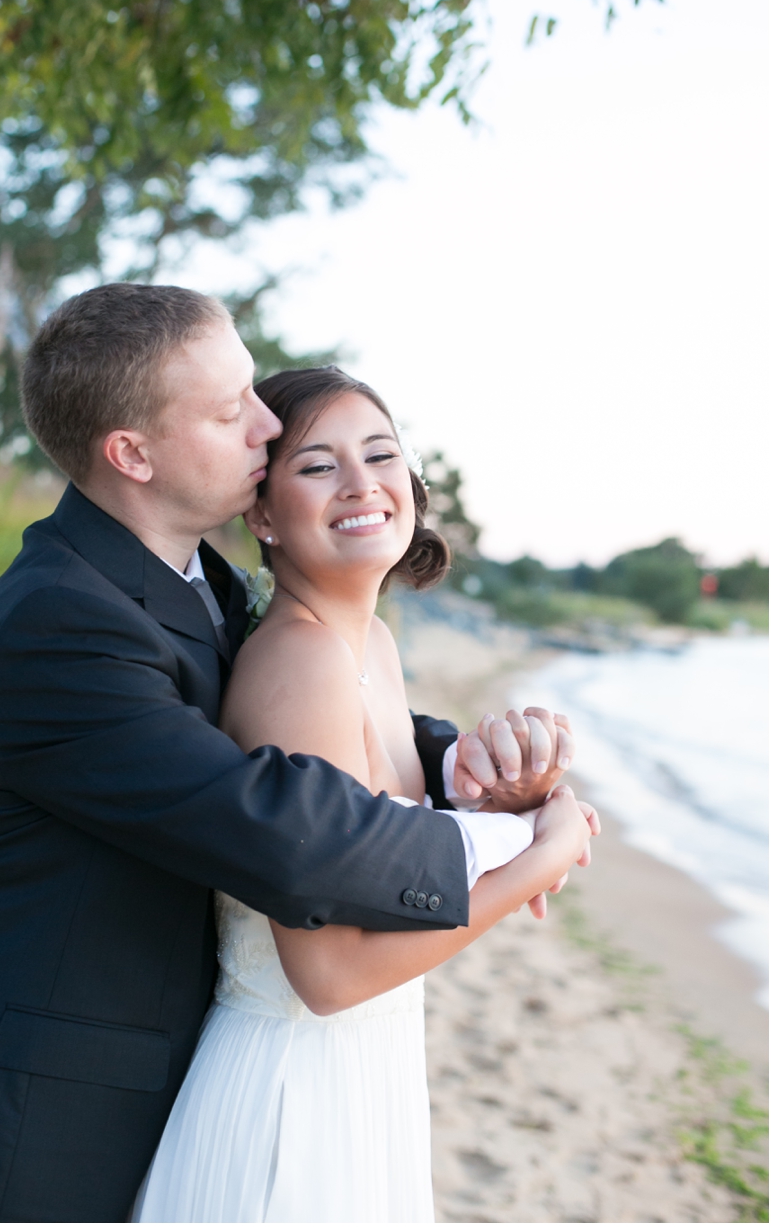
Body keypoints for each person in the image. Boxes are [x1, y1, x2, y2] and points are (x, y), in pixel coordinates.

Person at [0, 285, 578, 1223]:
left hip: (159, 1069)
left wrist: (467, 772)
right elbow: (276, 821)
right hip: (21, 1107)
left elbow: (315, 734)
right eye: (228, 410)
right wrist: (519, 846)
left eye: (253, 390)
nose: (265, 426)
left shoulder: (192, 578)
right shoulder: (61, 619)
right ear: (131, 453)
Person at [132, 366, 596, 1223]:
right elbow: (330, 971)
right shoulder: (300, 662)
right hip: (293, 1090)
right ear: (262, 511)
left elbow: (379, 854)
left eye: (380, 453)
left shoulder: (370, 643)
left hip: (362, 1071)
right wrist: (539, 861)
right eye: (317, 465)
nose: (361, 483)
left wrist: (509, 802)